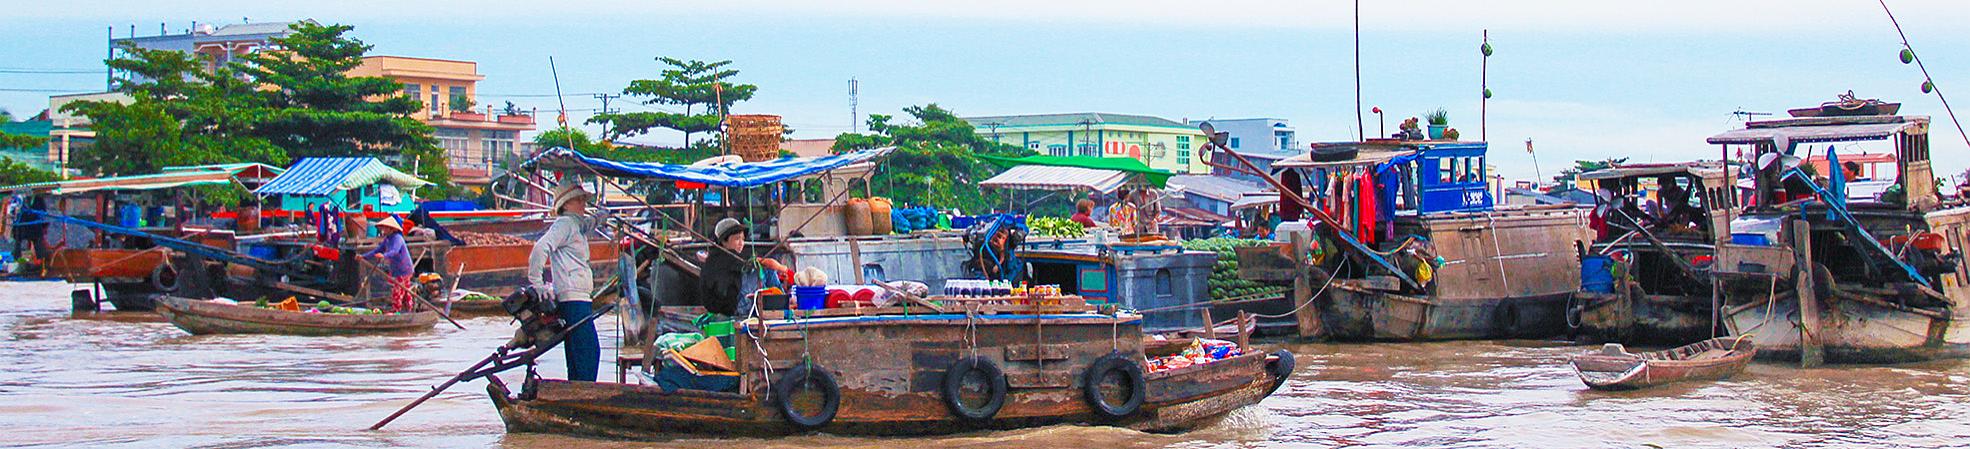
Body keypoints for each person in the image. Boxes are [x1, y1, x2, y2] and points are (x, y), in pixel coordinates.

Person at [529, 182, 599, 382]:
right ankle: (583, 391)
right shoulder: (564, 224)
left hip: (580, 296)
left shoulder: (575, 224)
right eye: (579, 200)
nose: (583, 204)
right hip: (572, 297)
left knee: (581, 351)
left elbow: (587, 224)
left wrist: (599, 218)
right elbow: (540, 248)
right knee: (587, 350)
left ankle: (578, 388)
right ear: (566, 204)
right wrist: (537, 282)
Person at [364, 216, 417, 313]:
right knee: (404, 291)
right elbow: (377, 250)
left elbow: (394, 251)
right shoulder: (387, 239)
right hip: (396, 269)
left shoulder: (397, 238)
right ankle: (408, 311)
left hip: (403, 269)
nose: (383, 230)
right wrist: (363, 257)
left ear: (391, 229)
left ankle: (397, 311)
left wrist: (384, 256)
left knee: (398, 291)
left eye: (385, 228)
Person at [698, 218, 749, 317]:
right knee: (766, 271)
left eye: (742, 239)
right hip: (729, 309)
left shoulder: (712, 258)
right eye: (737, 239)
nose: (741, 243)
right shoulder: (727, 258)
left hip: (721, 307)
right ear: (724, 242)